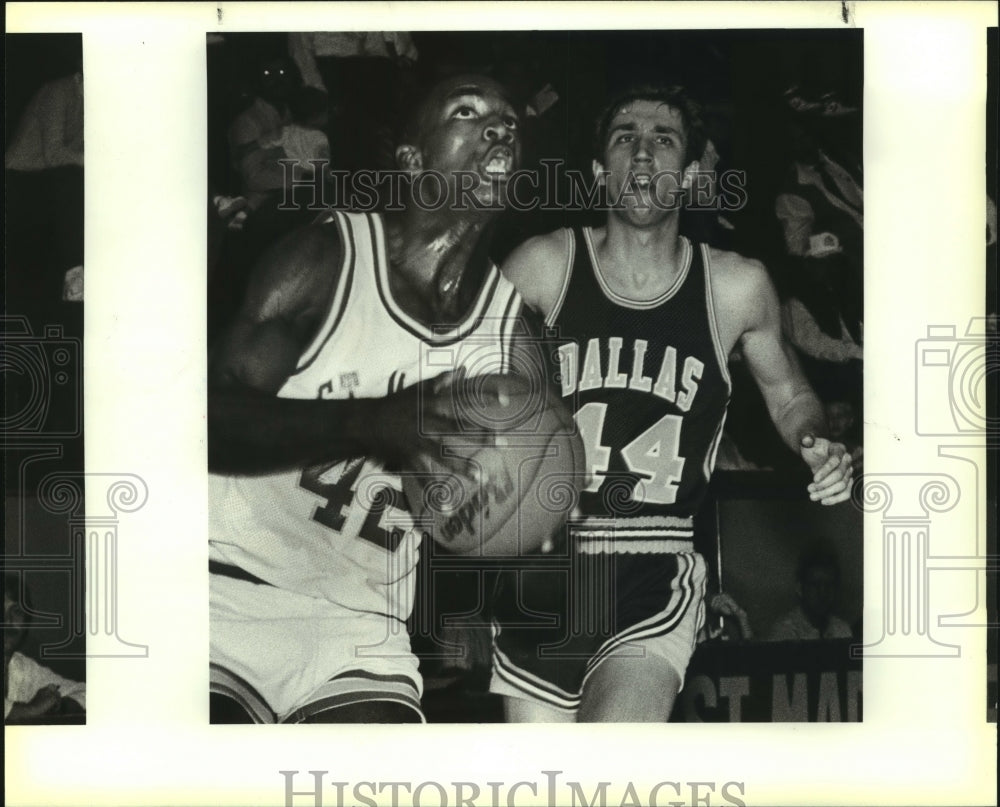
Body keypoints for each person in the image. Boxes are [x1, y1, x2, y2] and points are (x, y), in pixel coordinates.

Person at [490, 84, 854, 722]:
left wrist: (814, 442)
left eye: (663, 139)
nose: (642, 152)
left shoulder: (734, 286)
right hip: (544, 562)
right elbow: (468, 393)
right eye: (625, 137)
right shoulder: (544, 266)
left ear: (688, 176)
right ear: (599, 172)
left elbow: (791, 394)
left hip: (653, 563)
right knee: (541, 774)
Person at [208, 73, 559, 724]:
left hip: (363, 627)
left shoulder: (515, 338)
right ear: (411, 159)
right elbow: (206, 423)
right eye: (466, 111)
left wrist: (487, 574)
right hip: (228, 591)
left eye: (510, 119)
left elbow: (517, 510)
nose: (500, 126)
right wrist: (370, 422)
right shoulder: (325, 258)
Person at [4, 574, 86, 724]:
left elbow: (86, 693)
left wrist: (57, 705)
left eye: (16, 611)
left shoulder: (22, 667)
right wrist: (31, 709)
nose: (7, 622)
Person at [766, 545, 853, 641]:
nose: (822, 593)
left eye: (828, 585)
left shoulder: (842, 630)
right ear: (800, 588)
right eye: (815, 585)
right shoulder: (784, 633)